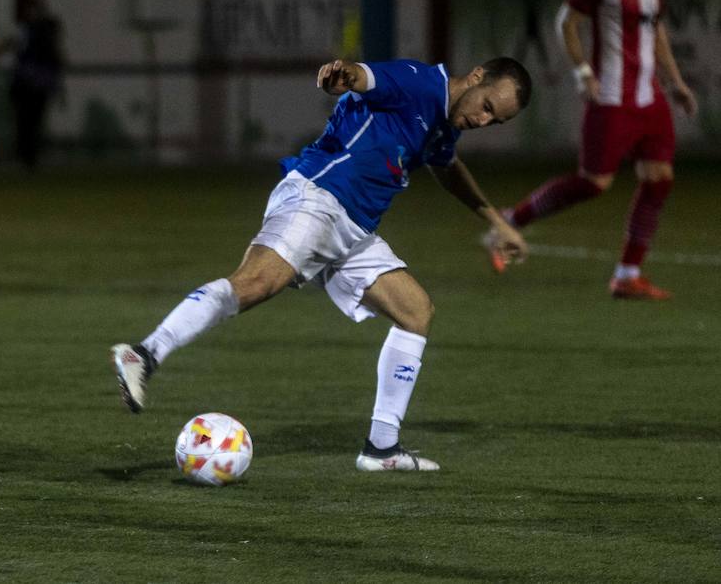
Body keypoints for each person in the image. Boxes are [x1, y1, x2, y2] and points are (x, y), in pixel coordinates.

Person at [112, 56, 533, 473]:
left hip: (353, 231)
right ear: (476, 77)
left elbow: (448, 168)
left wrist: (498, 222)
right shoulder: (418, 83)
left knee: (415, 312)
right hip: (319, 197)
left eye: (495, 121)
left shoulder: (444, 125)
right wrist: (342, 75)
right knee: (256, 283)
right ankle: (145, 353)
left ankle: (381, 450)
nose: (482, 120)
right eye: (487, 106)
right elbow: (364, 77)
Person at [488, 0, 697, 301]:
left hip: (649, 99)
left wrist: (676, 83)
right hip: (611, 97)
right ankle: (509, 220)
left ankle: (627, 273)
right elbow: (567, 21)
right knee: (594, 183)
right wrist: (583, 72)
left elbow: (656, 31)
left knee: (659, 180)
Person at [9, 0, 64, 168]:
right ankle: (25, 157)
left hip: (37, 83)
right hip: (26, 82)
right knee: (25, 121)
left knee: (33, 121)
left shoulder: (43, 30)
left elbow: (55, 56)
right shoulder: (27, 29)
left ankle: (30, 158)